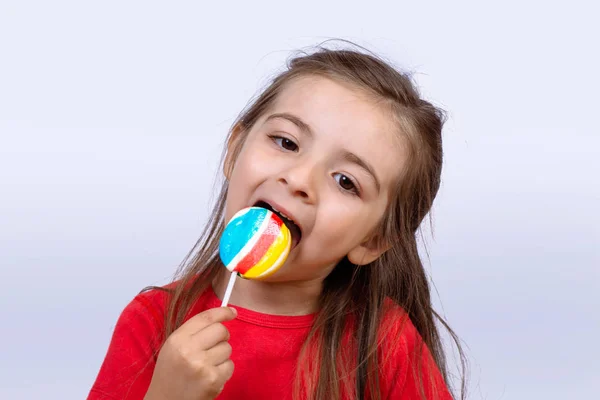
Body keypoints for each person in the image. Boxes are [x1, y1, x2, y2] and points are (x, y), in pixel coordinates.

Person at [88, 44, 465, 400]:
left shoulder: (382, 342)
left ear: (373, 240)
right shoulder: (153, 321)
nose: (299, 180)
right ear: (235, 151)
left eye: (346, 182)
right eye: (286, 142)